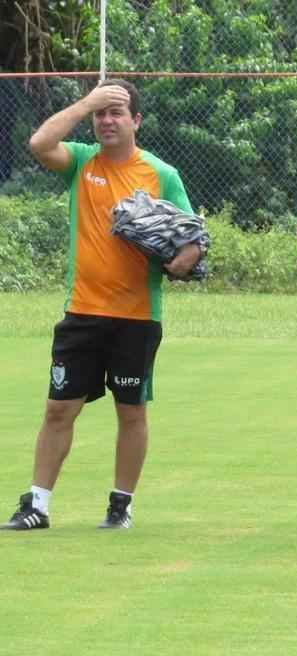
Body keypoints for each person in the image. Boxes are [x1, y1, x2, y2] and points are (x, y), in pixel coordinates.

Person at [2, 80, 200, 531]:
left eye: (117, 112)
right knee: (58, 408)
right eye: (101, 114)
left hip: (136, 317)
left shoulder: (161, 174)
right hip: (83, 313)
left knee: (131, 410)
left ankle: (120, 504)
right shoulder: (80, 162)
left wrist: (185, 259)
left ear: (137, 120)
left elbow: (190, 243)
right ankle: (37, 504)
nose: (107, 121)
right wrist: (87, 101)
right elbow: (38, 143)